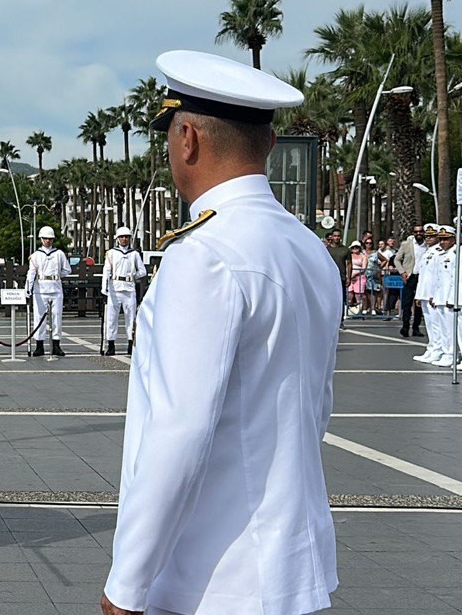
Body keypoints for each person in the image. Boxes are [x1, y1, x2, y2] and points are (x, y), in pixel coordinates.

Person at [102, 50, 339, 615]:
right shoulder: (309, 250)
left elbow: (178, 431)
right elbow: (316, 408)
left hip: (213, 579)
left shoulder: (204, 254)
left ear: (187, 138)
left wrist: (127, 584)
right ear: (270, 146)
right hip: (291, 570)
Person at [26, 225, 70, 357]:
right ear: (41, 239)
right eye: (45, 238)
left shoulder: (59, 254)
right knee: (39, 317)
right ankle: (39, 345)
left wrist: (57, 276)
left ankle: (56, 344)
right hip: (41, 289)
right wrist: (28, 289)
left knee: (57, 317)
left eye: (50, 239)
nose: (47, 241)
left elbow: (67, 270)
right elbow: (31, 273)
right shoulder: (36, 256)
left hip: (55, 288)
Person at [101, 226, 145, 356]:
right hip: (115, 288)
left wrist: (133, 276)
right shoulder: (111, 253)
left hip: (129, 288)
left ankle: (131, 344)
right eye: (121, 237)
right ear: (117, 239)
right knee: (111, 319)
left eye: (126, 237)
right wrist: (104, 288)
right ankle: (111, 344)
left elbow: (142, 271)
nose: (124, 239)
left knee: (131, 318)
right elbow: (106, 271)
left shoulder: (134, 254)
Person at [427, 226, 457, 367]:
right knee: (443, 329)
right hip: (441, 297)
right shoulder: (442, 255)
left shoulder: (455, 255)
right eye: (441, 239)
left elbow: (455, 279)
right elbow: (438, 279)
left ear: (453, 239)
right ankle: (446, 353)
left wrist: (451, 298)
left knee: (451, 329)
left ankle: (452, 354)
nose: (442, 242)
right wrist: (434, 296)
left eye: (446, 239)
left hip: (450, 299)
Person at [414, 225, 443, 363]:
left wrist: (435, 295)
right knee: (430, 324)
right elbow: (423, 275)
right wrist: (419, 295)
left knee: (437, 324)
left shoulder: (439, 252)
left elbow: (438, 277)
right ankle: (432, 347)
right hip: (425, 292)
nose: (428, 239)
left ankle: (438, 349)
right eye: (427, 236)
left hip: (433, 294)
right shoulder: (428, 252)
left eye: (432, 236)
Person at [395, 226, 425, 337]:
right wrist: (402, 272)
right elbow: (397, 259)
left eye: (420, 231)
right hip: (410, 276)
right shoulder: (406, 244)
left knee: (419, 303)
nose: (418, 233)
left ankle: (416, 327)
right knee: (407, 302)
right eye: (416, 232)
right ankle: (405, 326)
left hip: (422, 277)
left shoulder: (427, 246)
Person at [347, 241, 368, 312]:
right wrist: (349, 275)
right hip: (350, 277)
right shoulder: (349, 255)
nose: (355, 248)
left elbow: (364, 268)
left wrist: (355, 274)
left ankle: (362, 309)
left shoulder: (363, 256)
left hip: (359, 277)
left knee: (359, 294)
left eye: (357, 247)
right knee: (350, 294)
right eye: (353, 247)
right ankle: (350, 310)